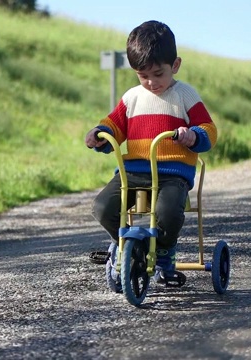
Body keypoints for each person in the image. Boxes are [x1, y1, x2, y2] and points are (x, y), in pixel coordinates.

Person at [85, 20, 217, 284]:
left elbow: (208, 130)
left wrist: (193, 135)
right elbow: (114, 126)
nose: (151, 82)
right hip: (133, 171)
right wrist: (101, 135)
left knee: (167, 215)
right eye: (143, 75)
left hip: (172, 174)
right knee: (103, 208)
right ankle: (124, 246)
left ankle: (165, 254)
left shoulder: (185, 95)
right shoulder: (132, 97)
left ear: (175, 66)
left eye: (158, 74)